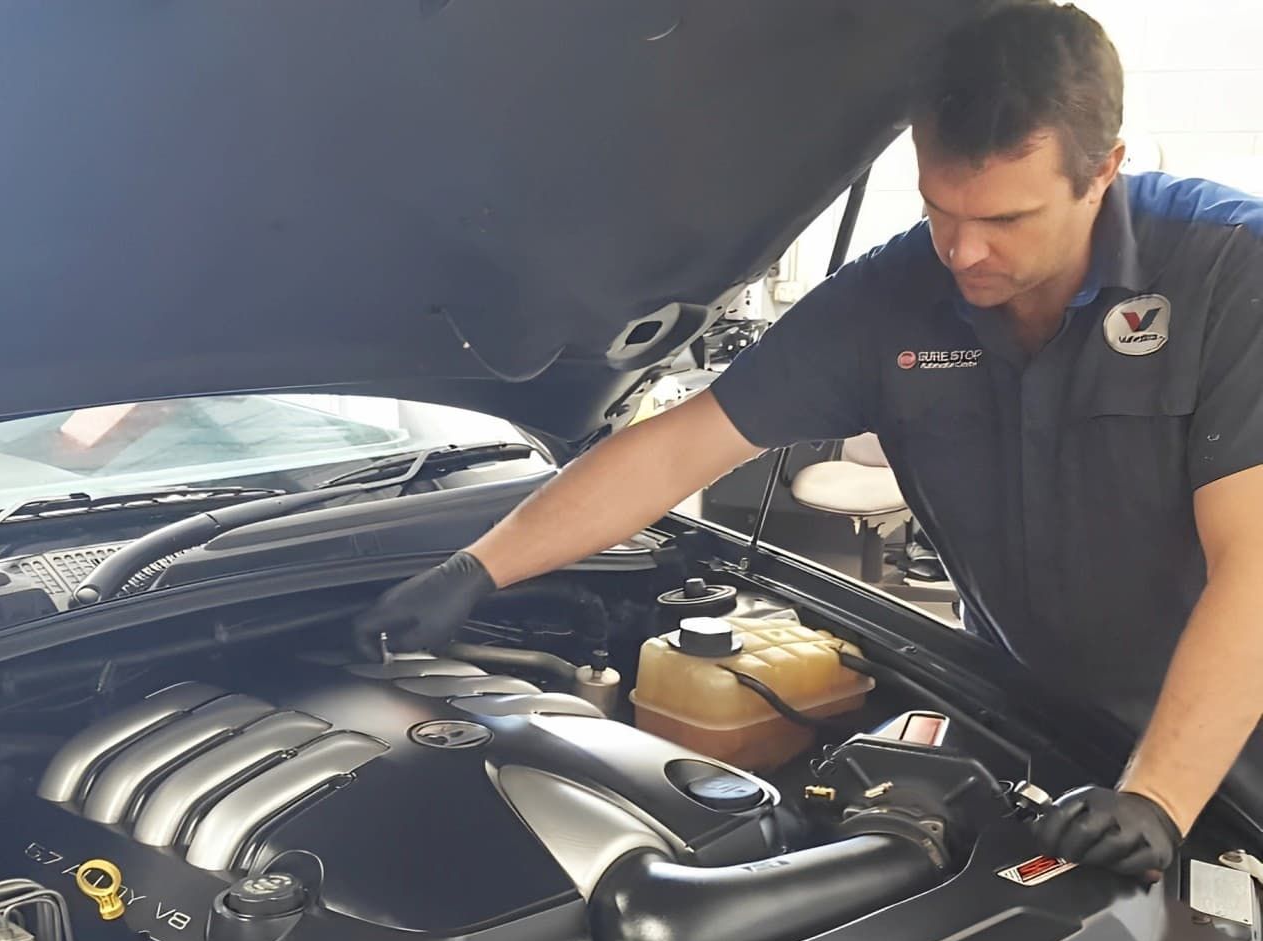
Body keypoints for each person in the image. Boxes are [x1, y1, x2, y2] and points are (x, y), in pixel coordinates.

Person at [355, 1, 1263, 881]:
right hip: (1034, 713)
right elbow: (679, 447)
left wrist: (1159, 794)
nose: (964, 252)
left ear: (1105, 169)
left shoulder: (1229, 274)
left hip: (1228, 729)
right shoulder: (890, 297)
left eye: (1007, 220)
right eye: (941, 207)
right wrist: (479, 569)